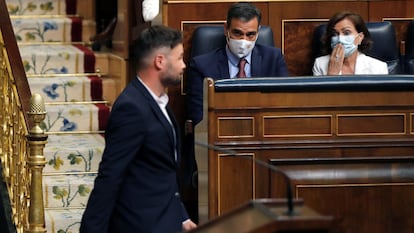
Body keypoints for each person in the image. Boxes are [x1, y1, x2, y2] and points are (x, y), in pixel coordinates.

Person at [80, 25, 197, 233]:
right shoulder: (131, 108)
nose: (184, 65)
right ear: (160, 61)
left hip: (165, 221)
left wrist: (181, 215)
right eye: (179, 58)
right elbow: (110, 175)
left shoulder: (160, 104)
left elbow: (161, 171)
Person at [185, 1, 289, 127]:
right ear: (226, 29)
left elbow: (283, 106)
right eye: (237, 33)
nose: (243, 40)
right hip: (220, 132)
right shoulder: (202, 65)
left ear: (258, 32)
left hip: (263, 131)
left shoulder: (273, 58)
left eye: (250, 34)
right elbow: (198, 115)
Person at [312, 11, 389, 76]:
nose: (339, 39)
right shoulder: (320, 64)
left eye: (346, 33)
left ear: (360, 37)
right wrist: (332, 74)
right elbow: (323, 94)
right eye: (334, 34)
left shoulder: (379, 68)